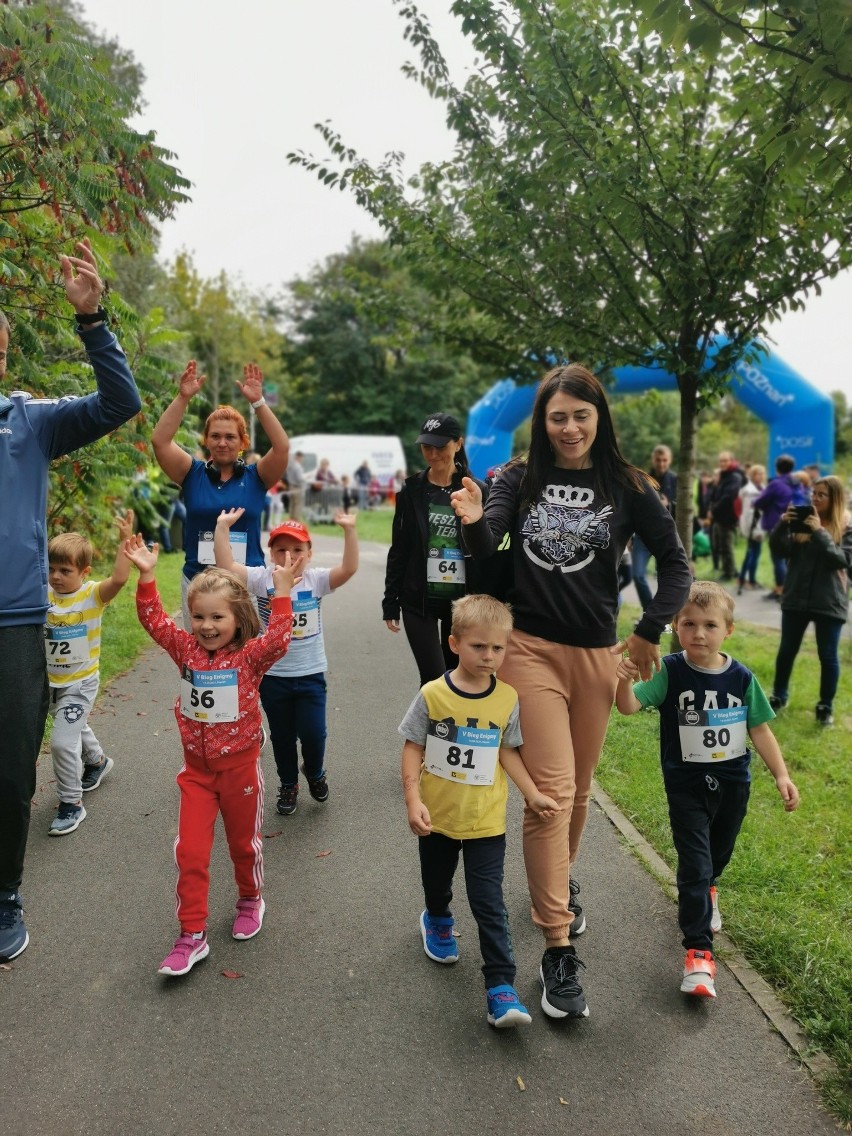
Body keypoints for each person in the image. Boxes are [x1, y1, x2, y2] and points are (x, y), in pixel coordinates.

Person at [450, 363, 691, 1018]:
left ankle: (554, 883)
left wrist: (646, 632)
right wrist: (473, 518)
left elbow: (676, 565)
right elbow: (491, 553)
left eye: (581, 414)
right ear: (543, 421)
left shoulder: (629, 485)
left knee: (579, 792)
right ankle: (557, 950)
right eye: (558, 416)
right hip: (529, 651)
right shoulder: (517, 478)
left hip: (596, 657)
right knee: (550, 796)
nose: (570, 427)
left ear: (599, 417)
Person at [0, 239, 142, 963]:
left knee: (8, 766)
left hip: (14, 624)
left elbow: (121, 402)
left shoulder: (28, 420)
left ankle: (5, 897)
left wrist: (93, 321)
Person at [614, 581, 799, 998]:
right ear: (675, 627)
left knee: (718, 853)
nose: (699, 633)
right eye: (689, 624)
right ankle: (699, 954)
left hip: (733, 783)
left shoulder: (741, 677)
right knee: (694, 865)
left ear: (728, 630)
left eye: (710, 625)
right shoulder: (669, 672)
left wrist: (782, 775)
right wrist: (622, 679)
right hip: (686, 785)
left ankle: (710, 887)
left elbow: (760, 728)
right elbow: (627, 706)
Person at [123, 534, 297, 977]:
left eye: (216, 617)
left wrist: (280, 593)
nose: (205, 625)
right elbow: (155, 622)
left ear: (237, 619)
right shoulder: (185, 649)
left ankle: (250, 898)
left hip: (239, 771)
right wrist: (146, 575)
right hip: (196, 774)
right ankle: (191, 935)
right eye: (197, 616)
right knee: (191, 852)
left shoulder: (250, 657)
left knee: (243, 845)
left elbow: (279, 638)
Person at [399, 594, 561, 1028]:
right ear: (454, 643)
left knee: (489, 902)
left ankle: (501, 987)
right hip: (438, 818)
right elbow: (413, 746)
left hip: (486, 822)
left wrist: (532, 793)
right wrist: (413, 800)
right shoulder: (433, 694)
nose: (489, 656)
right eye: (478, 647)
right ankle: (436, 918)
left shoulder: (506, 698)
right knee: (437, 883)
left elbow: (509, 752)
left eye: (498, 648)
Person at [214, 508, 358, 816]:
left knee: (314, 734)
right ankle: (288, 783)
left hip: (310, 675)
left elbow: (348, 569)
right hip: (273, 676)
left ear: (309, 553)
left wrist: (349, 530)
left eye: (297, 549)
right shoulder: (262, 578)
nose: (289, 555)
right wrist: (222, 528)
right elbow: (226, 566)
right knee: (281, 736)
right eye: (281, 549)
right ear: (270, 553)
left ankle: (315, 771)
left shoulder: (316, 581)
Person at [151, 360, 289, 626]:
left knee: (248, 659)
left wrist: (259, 403)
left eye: (230, 437)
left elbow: (281, 447)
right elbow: (160, 441)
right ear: (206, 440)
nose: (222, 442)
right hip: (198, 583)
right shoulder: (192, 473)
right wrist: (182, 398)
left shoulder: (256, 476)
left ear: (242, 443)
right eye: (215, 436)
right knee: (198, 660)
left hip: (247, 583)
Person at [45, 511, 135, 836]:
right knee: (72, 726)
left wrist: (125, 541)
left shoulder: (92, 595)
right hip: (51, 684)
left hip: (79, 685)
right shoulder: (43, 596)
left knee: (60, 742)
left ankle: (71, 804)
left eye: (65, 571)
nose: (56, 576)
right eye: (52, 569)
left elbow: (120, 580)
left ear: (84, 572)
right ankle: (96, 761)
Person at [383, 413, 489, 685]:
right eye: (426, 447)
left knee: (458, 678)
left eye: (440, 447)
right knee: (433, 679)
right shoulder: (411, 489)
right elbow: (400, 547)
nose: (432, 454)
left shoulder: (476, 490)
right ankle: (432, 728)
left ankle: (450, 728)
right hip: (419, 600)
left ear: (458, 444)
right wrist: (390, 601)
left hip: (462, 601)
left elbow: (487, 545)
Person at [767, 476, 852, 725]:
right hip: (795, 597)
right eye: (813, 493)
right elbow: (780, 550)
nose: (814, 498)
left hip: (829, 601)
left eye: (821, 495)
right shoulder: (802, 523)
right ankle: (778, 696)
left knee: (828, 656)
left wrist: (819, 532)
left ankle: (825, 706)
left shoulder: (846, 527)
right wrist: (782, 526)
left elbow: (843, 560)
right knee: (786, 651)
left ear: (834, 498)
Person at [631, 444, 678, 611]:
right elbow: (632, 509)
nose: (661, 463)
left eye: (665, 460)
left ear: (669, 460)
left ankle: (660, 619)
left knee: (663, 579)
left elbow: (685, 509)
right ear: (653, 460)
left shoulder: (675, 480)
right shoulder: (642, 479)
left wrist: (668, 504)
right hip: (642, 536)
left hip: (665, 536)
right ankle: (649, 611)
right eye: (658, 460)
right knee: (637, 575)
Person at [751, 454, 798, 602]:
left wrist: (755, 502)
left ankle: (780, 590)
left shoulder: (776, 484)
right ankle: (786, 589)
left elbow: (760, 501)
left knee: (777, 558)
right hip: (794, 524)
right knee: (787, 559)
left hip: (776, 524)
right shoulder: (796, 482)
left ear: (776, 468)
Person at [706, 451, 745, 581]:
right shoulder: (723, 476)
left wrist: (714, 509)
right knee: (720, 545)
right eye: (721, 461)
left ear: (732, 461)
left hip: (727, 517)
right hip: (719, 516)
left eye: (725, 461)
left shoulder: (735, 476)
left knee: (726, 546)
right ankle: (731, 570)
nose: (723, 463)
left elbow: (729, 497)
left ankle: (729, 573)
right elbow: (715, 494)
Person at [736, 463, 766, 594]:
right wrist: (754, 531)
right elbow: (749, 514)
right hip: (754, 528)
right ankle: (750, 581)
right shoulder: (750, 492)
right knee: (753, 554)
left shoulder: (761, 488)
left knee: (751, 554)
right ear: (752, 475)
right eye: (757, 474)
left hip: (758, 526)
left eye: (761, 474)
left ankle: (742, 578)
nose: (760, 476)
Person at [286, 451, 306, 521]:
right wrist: (305, 478)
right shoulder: (298, 466)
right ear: (299, 457)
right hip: (297, 487)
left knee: (292, 505)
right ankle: (296, 521)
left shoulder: (290, 465)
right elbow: (300, 478)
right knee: (298, 505)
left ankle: (291, 520)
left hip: (291, 486)